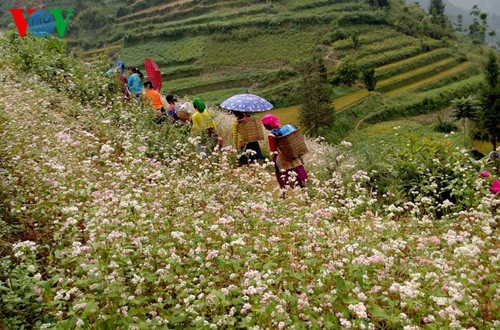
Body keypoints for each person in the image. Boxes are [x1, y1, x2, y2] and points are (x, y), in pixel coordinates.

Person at [261, 113, 307, 190]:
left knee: (286, 177)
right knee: (298, 175)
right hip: (293, 156)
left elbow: (273, 150)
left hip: (282, 159)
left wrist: (273, 160)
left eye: (265, 125)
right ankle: (303, 188)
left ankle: (289, 192)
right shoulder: (287, 129)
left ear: (268, 125)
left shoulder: (271, 136)